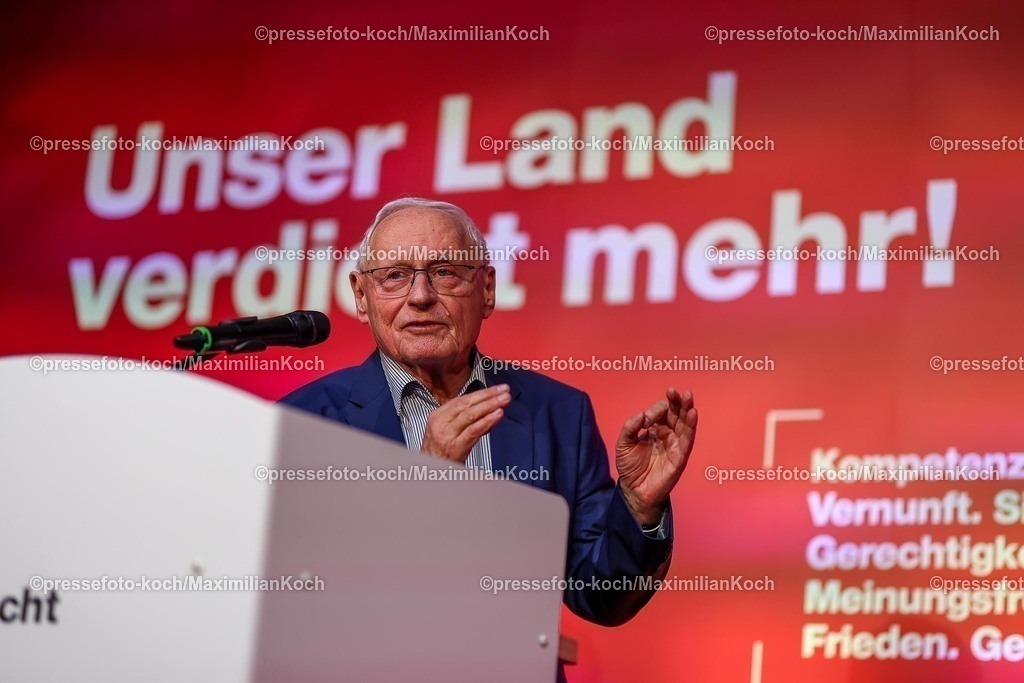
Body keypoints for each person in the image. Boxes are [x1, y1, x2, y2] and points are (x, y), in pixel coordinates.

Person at [279, 197, 699, 676]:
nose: (420, 296)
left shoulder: (557, 413)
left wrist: (639, 506)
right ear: (361, 294)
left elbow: (601, 598)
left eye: (444, 273)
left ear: (488, 288)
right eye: (394, 275)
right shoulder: (306, 420)